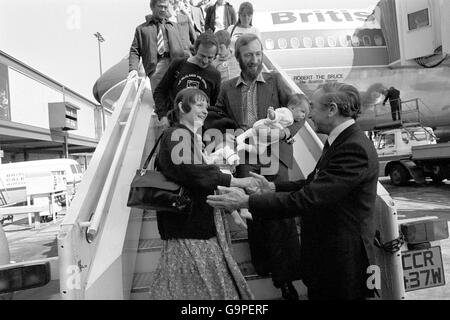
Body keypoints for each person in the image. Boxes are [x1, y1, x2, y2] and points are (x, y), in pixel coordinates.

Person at [207, 82, 380, 300]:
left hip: (344, 262)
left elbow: (309, 198)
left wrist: (246, 202)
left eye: (313, 108)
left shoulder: (353, 148)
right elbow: (311, 183)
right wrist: (273, 186)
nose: (308, 116)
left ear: (332, 110)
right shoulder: (340, 141)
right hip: (327, 257)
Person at [205, 33, 304, 300]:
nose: (255, 60)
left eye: (258, 54)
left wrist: (285, 133)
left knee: (280, 212)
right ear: (239, 58)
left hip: (275, 155)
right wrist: (230, 128)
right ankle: (263, 265)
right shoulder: (227, 87)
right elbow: (214, 115)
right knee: (254, 210)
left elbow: (300, 107)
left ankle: (286, 279)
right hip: (246, 155)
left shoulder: (274, 80)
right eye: (249, 55)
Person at [148, 87, 254, 300]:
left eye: (206, 105)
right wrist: (236, 180)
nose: (205, 110)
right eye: (199, 105)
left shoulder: (187, 136)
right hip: (189, 228)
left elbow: (194, 173)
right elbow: (192, 172)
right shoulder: (177, 134)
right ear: (181, 107)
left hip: (189, 226)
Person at [153, 32, 222, 129]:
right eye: (202, 56)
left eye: (210, 57)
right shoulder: (178, 65)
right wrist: (162, 116)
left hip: (200, 128)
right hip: (175, 125)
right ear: (195, 50)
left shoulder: (215, 75)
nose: (205, 61)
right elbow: (160, 91)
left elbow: (215, 105)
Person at [128, 0, 187, 91]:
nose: (163, 9)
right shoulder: (142, 29)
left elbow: (185, 47)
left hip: (176, 66)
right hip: (156, 67)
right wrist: (133, 69)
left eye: (166, 7)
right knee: (160, 99)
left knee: (178, 96)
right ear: (152, 7)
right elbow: (134, 51)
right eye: (160, 6)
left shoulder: (175, 26)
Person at [236, 94, 310, 154]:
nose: (304, 116)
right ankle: (243, 136)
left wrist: (289, 139)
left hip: (268, 137)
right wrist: (273, 115)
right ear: (293, 108)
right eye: (302, 111)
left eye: (305, 113)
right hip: (267, 127)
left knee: (259, 151)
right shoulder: (287, 113)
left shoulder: (291, 119)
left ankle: (243, 146)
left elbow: (284, 128)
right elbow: (278, 116)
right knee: (255, 131)